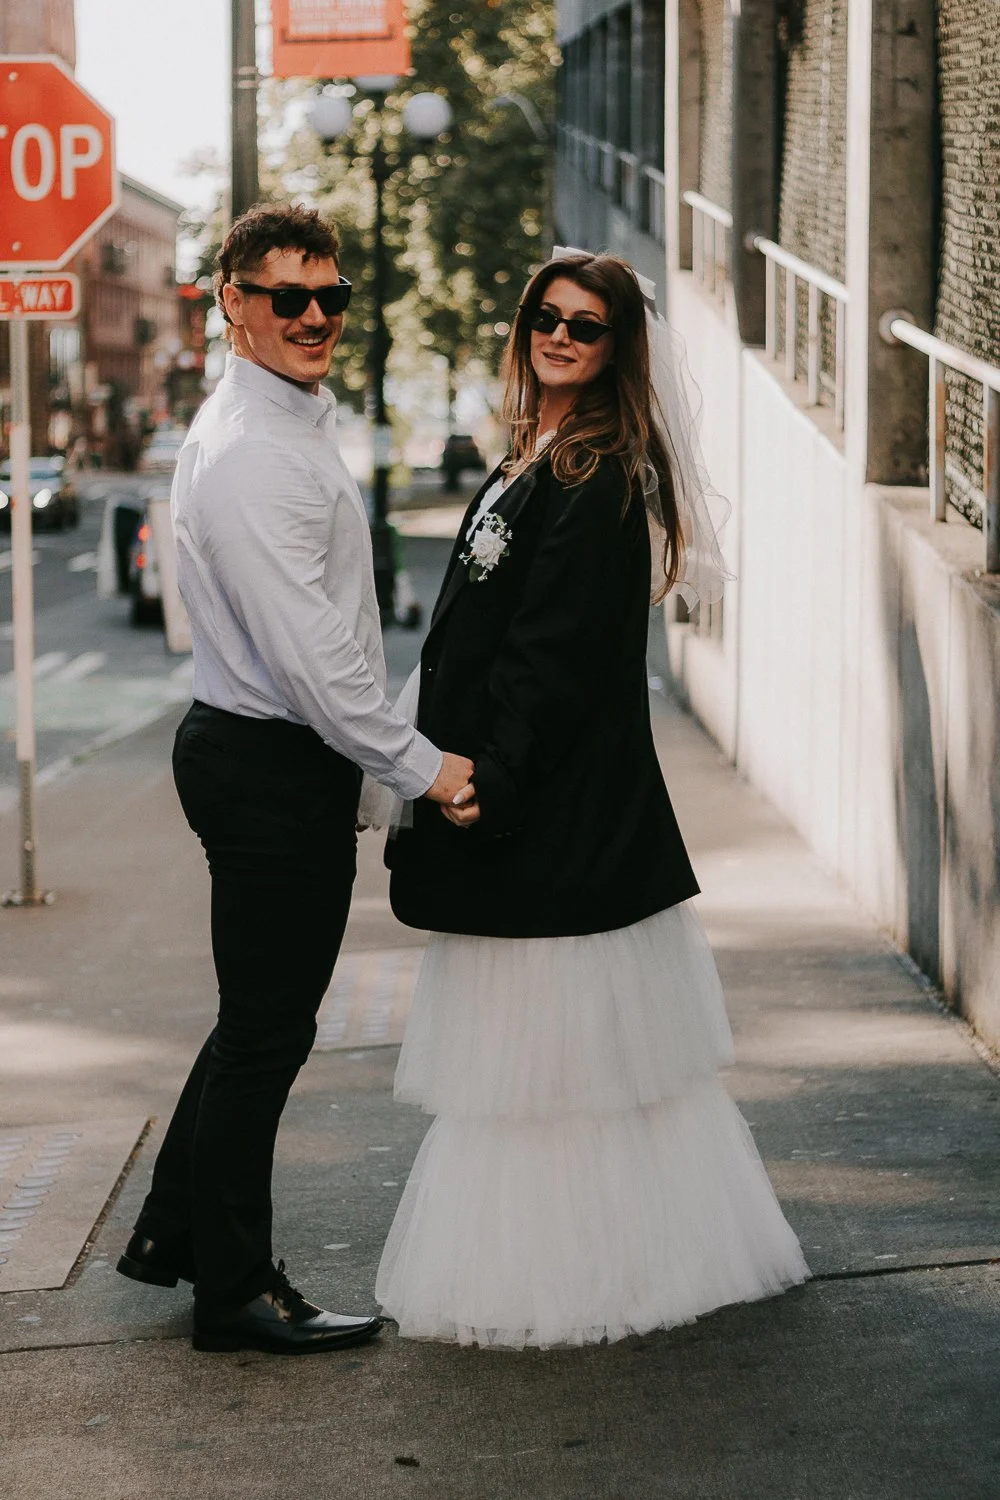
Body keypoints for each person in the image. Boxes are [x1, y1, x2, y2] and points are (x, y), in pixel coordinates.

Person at [375, 251, 809, 1349]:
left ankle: (590, 1280)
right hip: (526, 803)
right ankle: (594, 1264)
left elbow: (552, 660)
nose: (560, 336)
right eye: (545, 317)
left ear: (617, 348)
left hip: (554, 815)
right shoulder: (533, 455)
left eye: (588, 324)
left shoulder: (597, 474)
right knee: (544, 1070)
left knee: (556, 1067)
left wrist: (488, 783)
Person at [116, 204, 474, 1356]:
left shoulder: (283, 424)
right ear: (232, 302)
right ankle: (234, 1291)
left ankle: (178, 1238)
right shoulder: (253, 455)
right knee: (269, 1035)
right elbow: (313, 661)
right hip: (268, 767)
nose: (316, 316)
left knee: (252, 1024)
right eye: (288, 297)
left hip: (267, 759)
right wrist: (420, 771)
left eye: (331, 297)